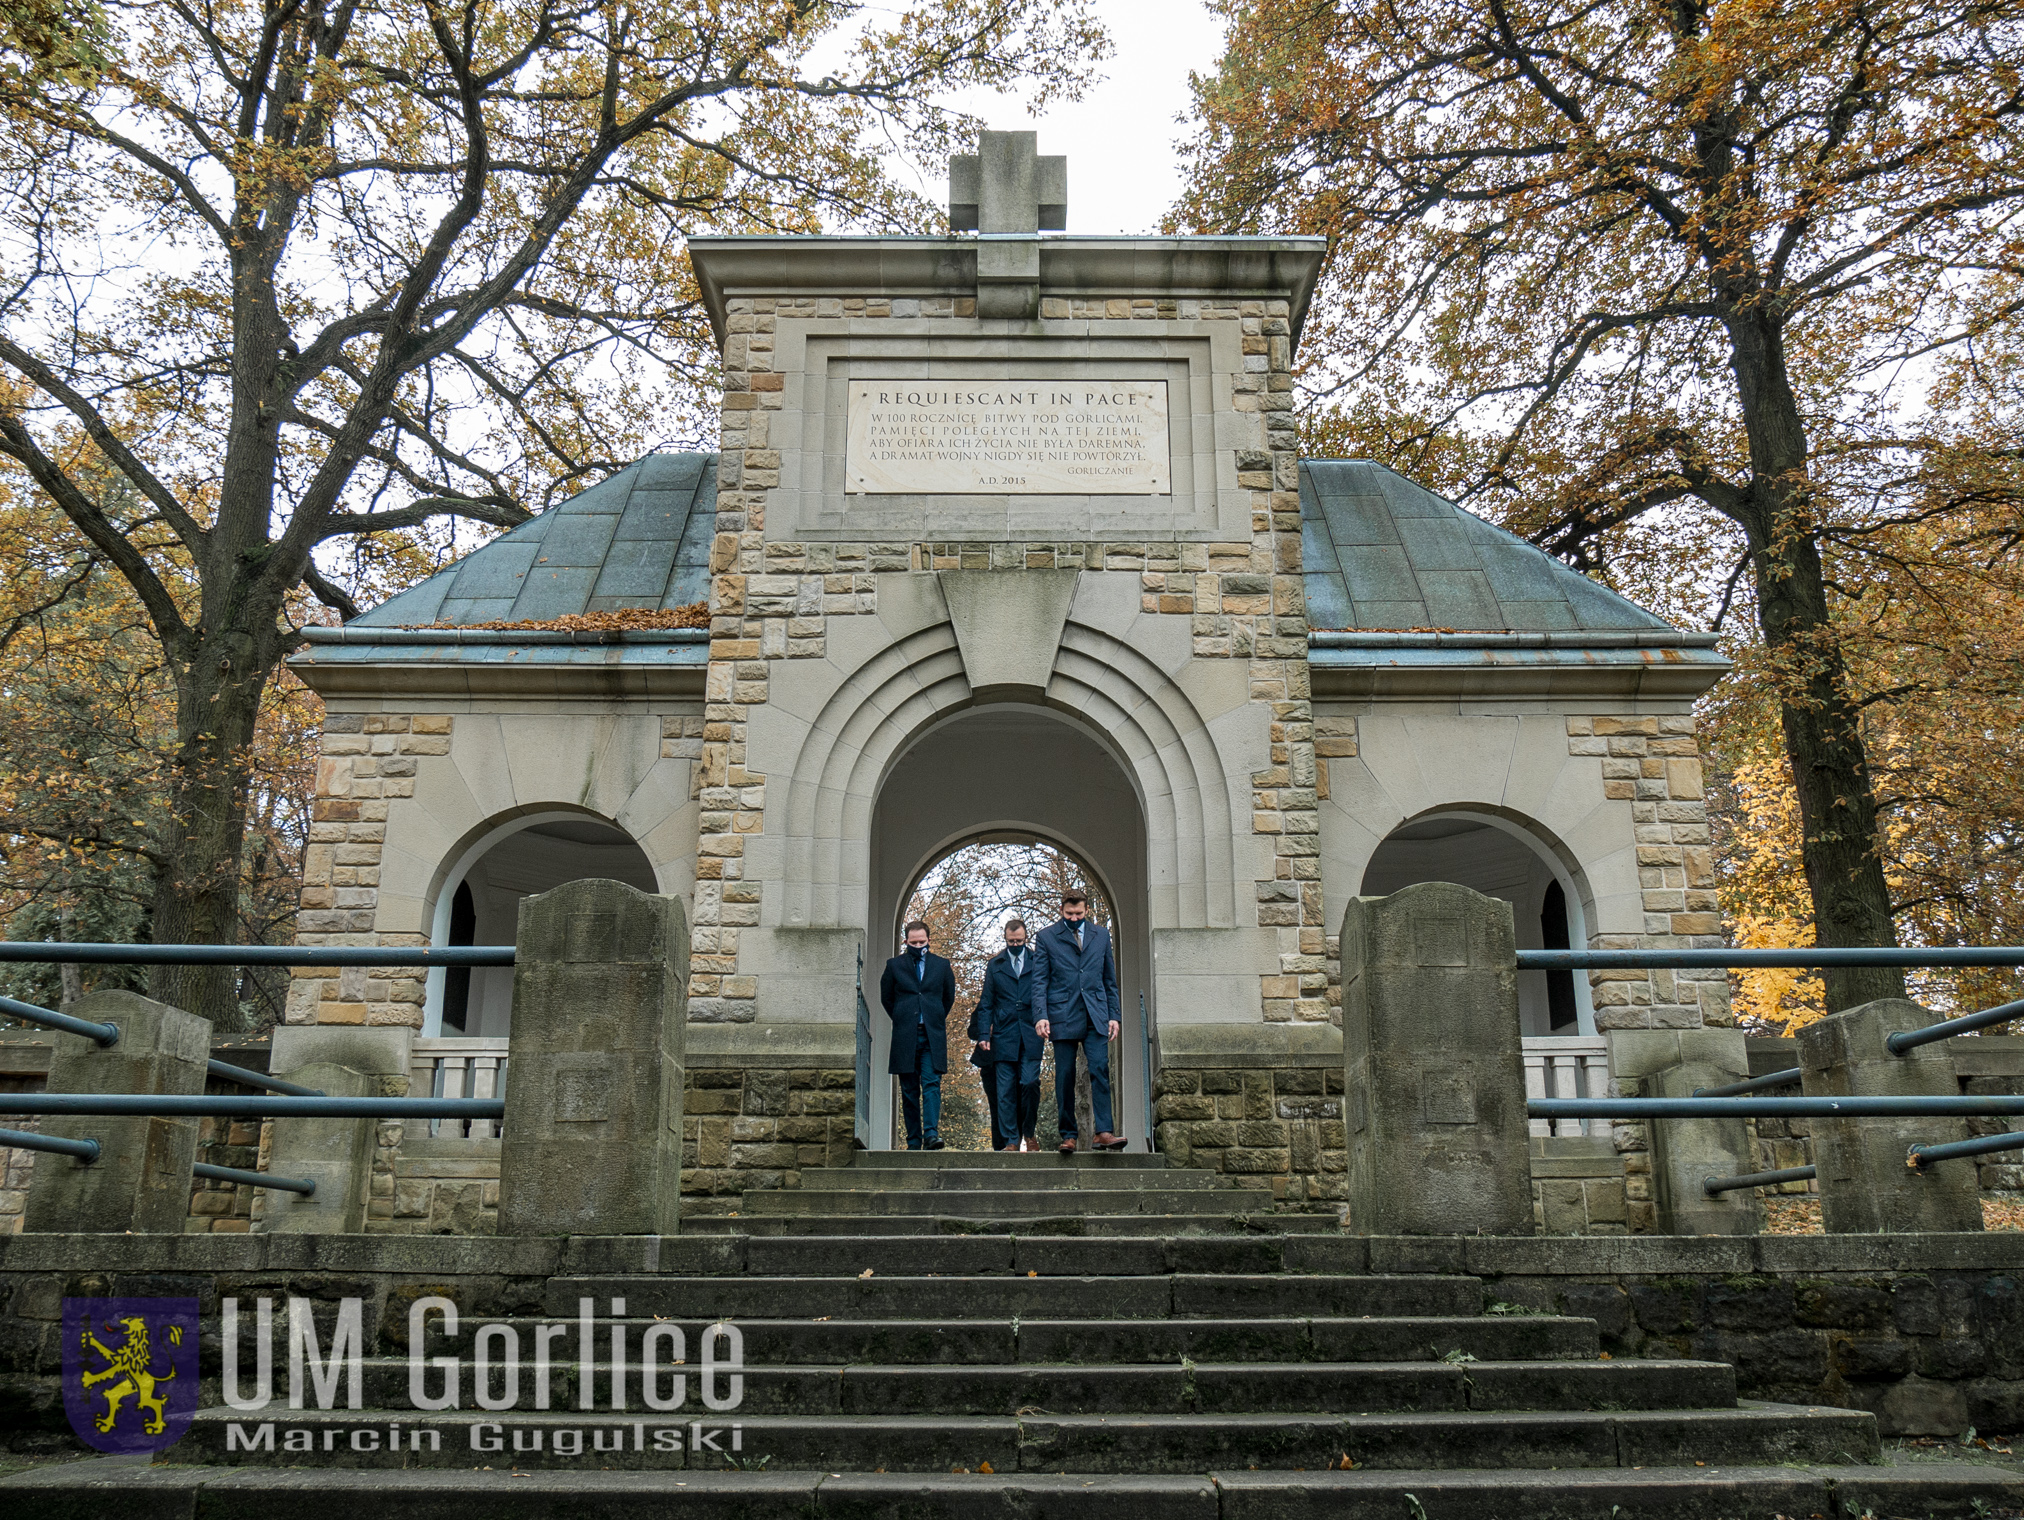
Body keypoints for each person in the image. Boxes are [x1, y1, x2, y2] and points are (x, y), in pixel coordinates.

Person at [1029, 890, 1127, 1153]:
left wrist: (1114, 1015)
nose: (1074, 918)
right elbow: (1039, 980)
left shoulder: (1101, 935)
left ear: (1086, 912)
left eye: (1079, 914)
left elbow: (1109, 980)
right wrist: (1040, 1015)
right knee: (1064, 1076)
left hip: (1096, 1014)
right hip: (1062, 1015)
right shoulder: (1047, 937)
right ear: (1061, 910)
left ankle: (1104, 1132)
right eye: (1069, 914)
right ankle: (1068, 1136)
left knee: (1100, 1070)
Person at [879, 919, 955, 1150]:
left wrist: (933, 1016)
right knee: (909, 1090)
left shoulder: (942, 965)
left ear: (929, 940)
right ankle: (914, 1140)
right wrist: (904, 1018)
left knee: (931, 1083)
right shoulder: (894, 966)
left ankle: (931, 1134)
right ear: (906, 941)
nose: (918, 945)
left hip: (932, 1035)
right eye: (914, 942)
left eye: (922, 941)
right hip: (906, 1036)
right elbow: (887, 998)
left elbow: (947, 998)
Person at [972, 918, 1042, 1152]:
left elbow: (1045, 992)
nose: (1015, 944)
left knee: (1030, 1084)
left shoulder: (1038, 961)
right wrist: (984, 1034)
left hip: (1031, 1034)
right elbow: (986, 1002)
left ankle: (1029, 1134)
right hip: (1003, 1035)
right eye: (1011, 941)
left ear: (1026, 938)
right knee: (1004, 1092)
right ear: (1005, 939)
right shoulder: (995, 965)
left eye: (1019, 941)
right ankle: (1011, 1140)